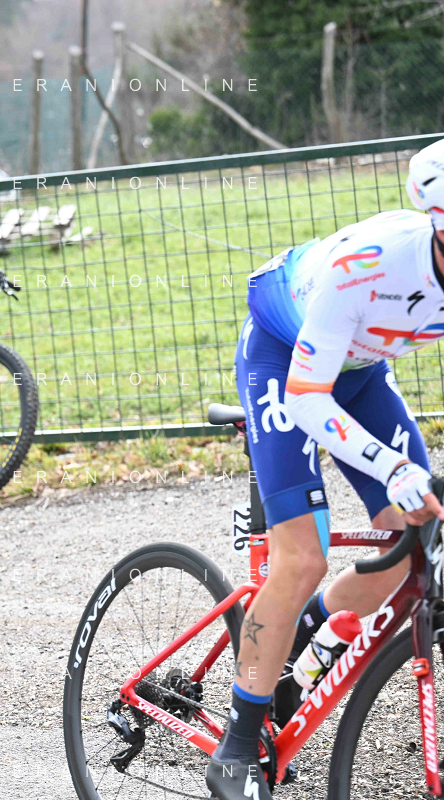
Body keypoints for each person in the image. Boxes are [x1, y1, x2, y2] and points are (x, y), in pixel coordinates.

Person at [205, 138, 444, 800]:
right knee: (302, 557)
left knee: (412, 541)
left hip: (359, 371)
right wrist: (389, 465)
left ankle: (296, 643)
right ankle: (236, 743)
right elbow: (307, 398)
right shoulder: (370, 267)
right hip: (287, 362)